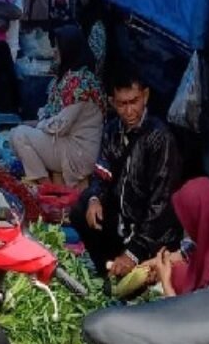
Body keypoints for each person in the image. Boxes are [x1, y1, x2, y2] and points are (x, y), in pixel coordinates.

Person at [70, 65, 184, 278]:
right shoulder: (112, 130)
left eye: (134, 102)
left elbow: (161, 204)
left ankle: (126, 263)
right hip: (123, 219)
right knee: (82, 205)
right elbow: (100, 174)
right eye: (122, 104)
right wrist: (95, 198)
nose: (129, 111)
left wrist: (134, 251)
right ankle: (108, 270)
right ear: (112, 102)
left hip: (151, 230)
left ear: (145, 97)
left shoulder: (160, 139)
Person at [9, 26, 107, 187]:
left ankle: (47, 187)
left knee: (19, 135)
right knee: (17, 134)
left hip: (78, 153)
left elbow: (59, 127)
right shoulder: (68, 78)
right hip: (67, 145)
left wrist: (37, 126)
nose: (54, 51)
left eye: (57, 47)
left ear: (69, 49)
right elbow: (52, 116)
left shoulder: (80, 82)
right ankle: (46, 182)